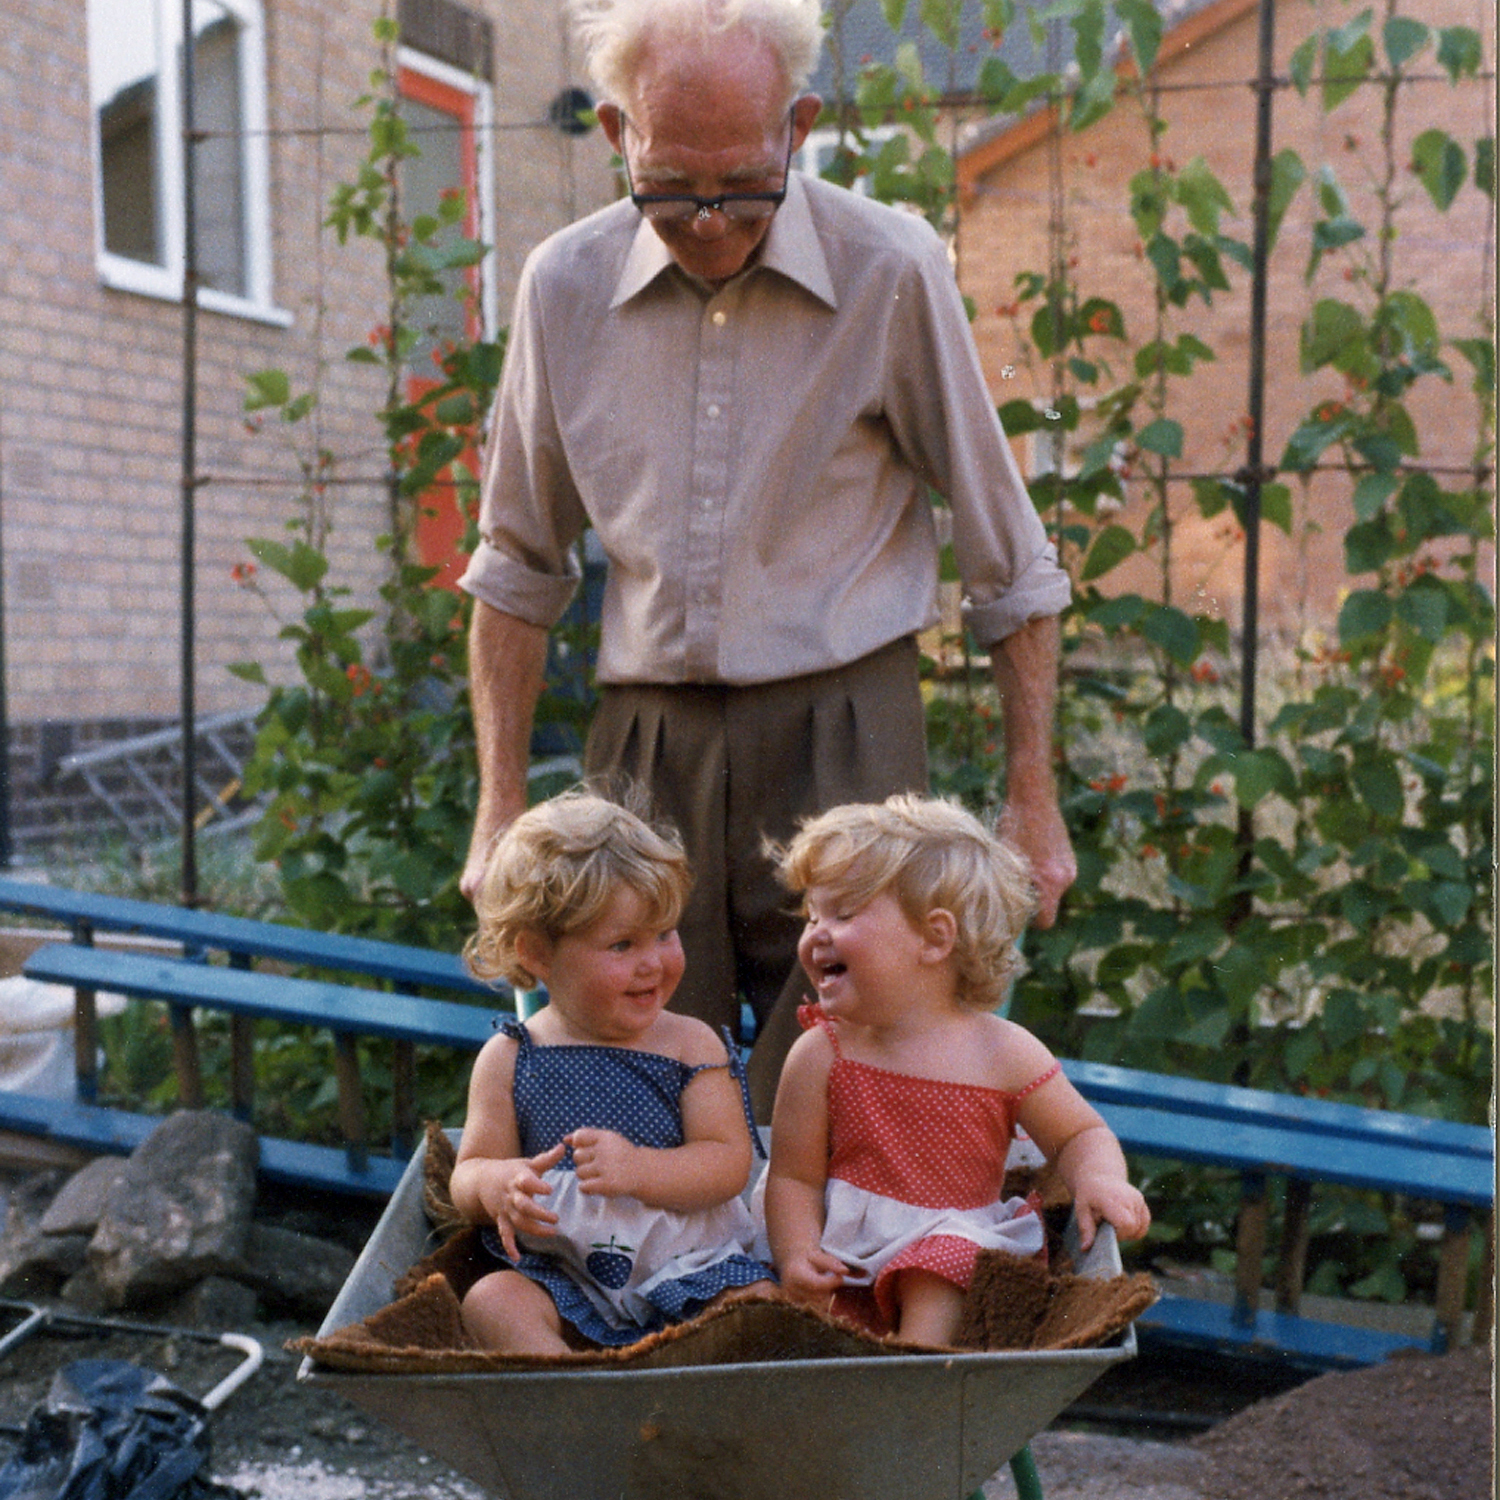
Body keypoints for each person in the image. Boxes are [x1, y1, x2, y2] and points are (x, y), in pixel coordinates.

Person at [457, 0, 1076, 1119]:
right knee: (627, 1069)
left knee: (856, 1070)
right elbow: (516, 567)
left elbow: (1010, 561)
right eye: (669, 183)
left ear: (798, 125)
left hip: (849, 730)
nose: (703, 219)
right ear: (614, 133)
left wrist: (1033, 797)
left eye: (741, 183)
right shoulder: (562, 286)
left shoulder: (888, 271)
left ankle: (825, 1288)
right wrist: (498, 804)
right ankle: (658, 1291)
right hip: (645, 736)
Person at [761, 794, 1150, 1348]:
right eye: (813, 915)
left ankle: (921, 1378)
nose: (816, 933)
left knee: (938, 1271)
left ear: (935, 938)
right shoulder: (822, 1053)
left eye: (843, 914)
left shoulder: (1003, 1052)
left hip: (954, 1240)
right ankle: (843, 1378)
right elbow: (793, 1176)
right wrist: (797, 1252)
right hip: (847, 1245)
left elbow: (1078, 1133)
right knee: (808, 1315)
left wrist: (1099, 1178)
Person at [449, 790, 776, 1355]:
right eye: (623, 944)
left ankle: (694, 1391)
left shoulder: (690, 1044)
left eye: (665, 934)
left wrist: (639, 1169)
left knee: (761, 1307)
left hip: (690, 1266)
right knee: (490, 1301)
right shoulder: (510, 1056)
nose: (654, 961)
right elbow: (468, 1171)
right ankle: (579, 1399)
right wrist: (496, 1185)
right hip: (564, 1269)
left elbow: (729, 1164)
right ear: (536, 953)